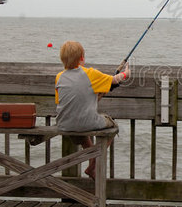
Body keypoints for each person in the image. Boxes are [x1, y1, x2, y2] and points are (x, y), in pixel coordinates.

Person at [55, 41, 129, 179]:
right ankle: (93, 165)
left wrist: (96, 96)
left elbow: (66, 103)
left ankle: (91, 163)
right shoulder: (90, 73)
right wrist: (126, 74)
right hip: (85, 122)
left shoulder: (59, 77)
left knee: (82, 134)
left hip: (64, 124)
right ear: (82, 57)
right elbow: (115, 79)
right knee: (113, 128)